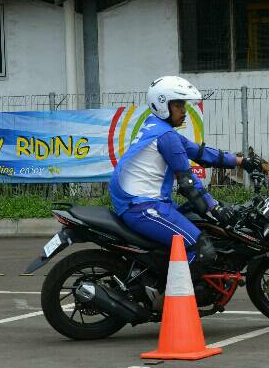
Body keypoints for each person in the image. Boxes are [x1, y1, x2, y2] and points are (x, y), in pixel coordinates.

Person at [109, 76, 259, 264]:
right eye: (179, 105)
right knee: (201, 248)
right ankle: (173, 292)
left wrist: (242, 161)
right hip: (142, 207)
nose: (184, 111)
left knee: (196, 219)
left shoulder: (157, 127)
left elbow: (199, 152)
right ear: (163, 105)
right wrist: (215, 207)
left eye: (184, 105)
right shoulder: (166, 135)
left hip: (141, 203)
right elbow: (188, 181)